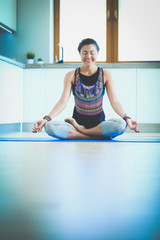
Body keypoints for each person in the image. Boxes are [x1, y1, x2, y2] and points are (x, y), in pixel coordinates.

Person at [32, 38, 139, 140]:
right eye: (84, 53)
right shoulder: (71, 75)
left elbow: (115, 101)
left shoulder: (106, 74)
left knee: (120, 125)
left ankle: (80, 132)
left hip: (99, 125)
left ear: (97, 53)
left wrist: (127, 118)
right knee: (50, 127)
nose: (88, 56)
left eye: (92, 52)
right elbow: (62, 102)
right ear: (79, 54)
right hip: (76, 123)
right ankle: (92, 135)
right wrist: (46, 119)